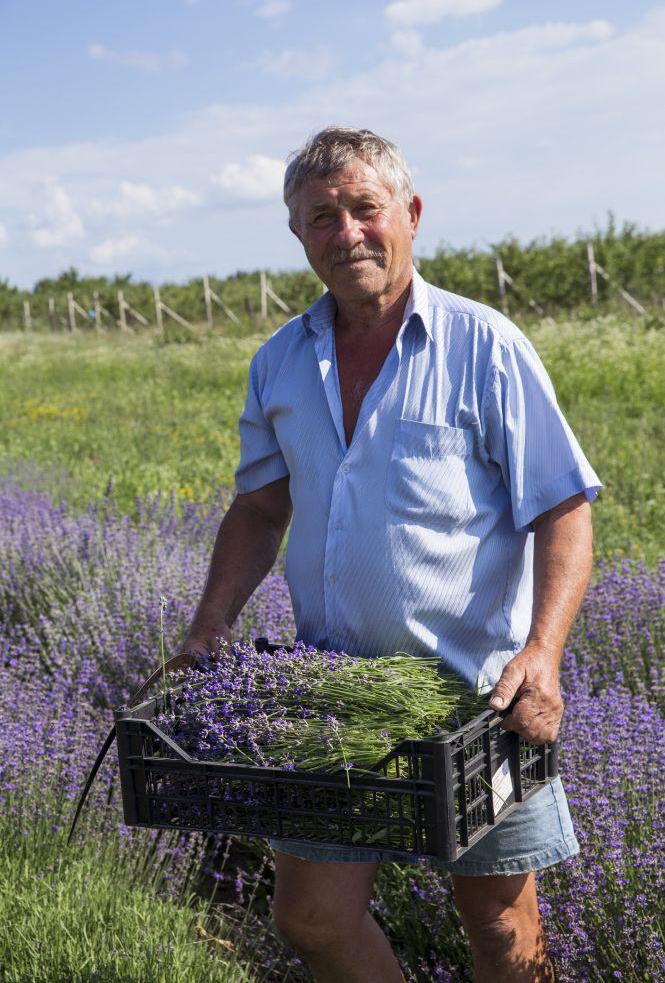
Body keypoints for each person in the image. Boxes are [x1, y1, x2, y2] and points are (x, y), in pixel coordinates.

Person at [184, 126, 601, 983]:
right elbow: (261, 508)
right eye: (320, 218)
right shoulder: (280, 362)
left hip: (476, 698)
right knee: (311, 917)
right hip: (334, 698)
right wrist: (210, 622)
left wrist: (544, 656)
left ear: (408, 214)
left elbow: (562, 508)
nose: (346, 234)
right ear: (298, 237)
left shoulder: (482, 345)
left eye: (364, 209)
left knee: (498, 927)